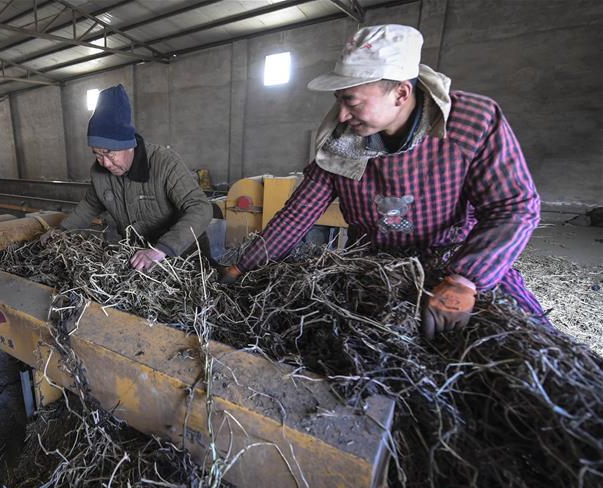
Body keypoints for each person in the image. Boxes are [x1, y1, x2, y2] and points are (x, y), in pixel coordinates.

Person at [221, 24, 544, 339]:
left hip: (456, 261)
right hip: (376, 269)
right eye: (339, 99)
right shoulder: (340, 141)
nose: (342, 114)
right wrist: (244, 266)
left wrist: (464, 279)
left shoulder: (470, 122)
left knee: (524, 338)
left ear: (401, 93)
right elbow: (297, 215)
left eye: (351, 101)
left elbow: (514, 206)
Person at [41, 84, 212, 271]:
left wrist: (162, 249)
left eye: (109, 153)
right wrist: (62, 231)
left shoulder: (164, 163)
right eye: (97, 154)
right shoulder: (99, 172)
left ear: (129, 145)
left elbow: (200, 207)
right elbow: (90, 205)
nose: (105, 163)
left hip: (183, 256)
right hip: (140, 258)